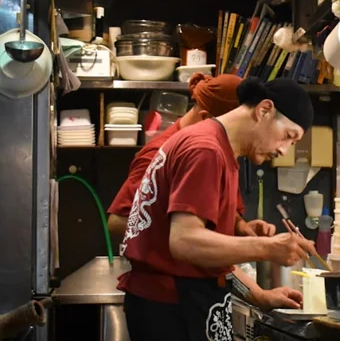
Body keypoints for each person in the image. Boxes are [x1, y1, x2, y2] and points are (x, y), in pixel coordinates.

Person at [118, 77, 317, 341]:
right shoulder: (206, 150)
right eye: (288, 137)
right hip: (172, 315)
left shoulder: (218, 148)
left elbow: (208, 254)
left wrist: (259, 296)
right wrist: (268, 248)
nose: (285, 150)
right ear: (265, 110)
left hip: (183, 308)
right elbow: (185, 243)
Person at [107, 73, 274, 240]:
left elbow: (219, 207)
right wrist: (185, 236)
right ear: (207, 119)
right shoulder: (159, 154)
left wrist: (238, 226)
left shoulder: (222, 152)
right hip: (171, 266)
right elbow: (117, 222)